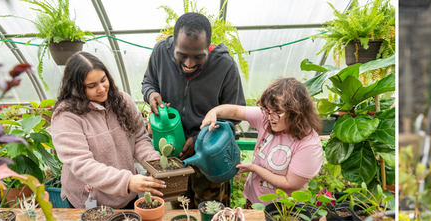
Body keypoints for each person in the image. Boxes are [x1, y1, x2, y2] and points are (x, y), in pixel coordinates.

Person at [141, 12, 246, 207]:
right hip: (174, 155)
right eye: (182, 55)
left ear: (209, 47)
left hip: (210, 155)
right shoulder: (160, 53)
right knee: (181, 207)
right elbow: (149, 81)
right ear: (173, 45)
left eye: (199, 56)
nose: (189, 64)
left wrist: (198, 139)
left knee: (211, 210)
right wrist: (151, 94)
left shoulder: (225, 65)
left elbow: (234, 113)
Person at [51, 52, 167, 209]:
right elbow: (82, 164)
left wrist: (156, 164)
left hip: (126, 194)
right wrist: (127, 181)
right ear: (76, 88)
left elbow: (139, 139)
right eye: (91, 86)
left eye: (103, 80)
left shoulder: (122, 100)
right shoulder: (66, 116)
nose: (101, 89)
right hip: (90, 201)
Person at [198, 78, 322, 205]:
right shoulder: (267, 117)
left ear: (297, 113)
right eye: (268, 110)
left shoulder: (309, 145)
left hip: (283, 209)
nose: (270, 117)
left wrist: (254, 168)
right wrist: (214, 112)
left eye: (277, 113)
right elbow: (235, 111)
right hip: (254, 201)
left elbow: (291, 184)